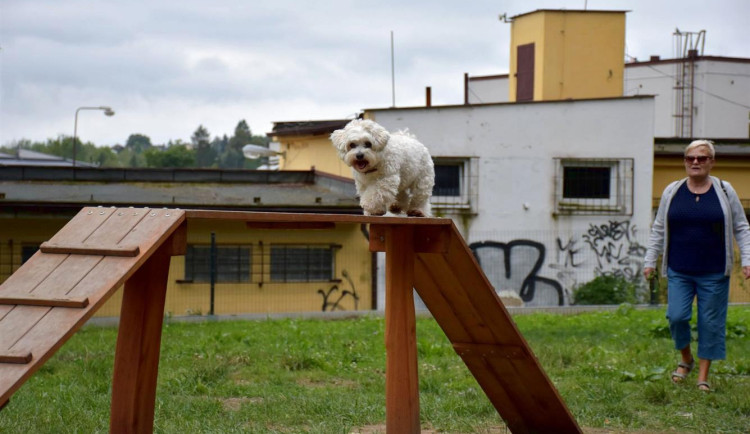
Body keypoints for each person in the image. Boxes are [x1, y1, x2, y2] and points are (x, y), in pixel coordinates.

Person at [644, 139, 750, 392]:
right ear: (685, 161)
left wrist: (747, 259)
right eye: (690, 158)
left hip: (714, 271)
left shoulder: (724, 190)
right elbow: (659, 227)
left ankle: (703, 375)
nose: (695, 162)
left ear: (711, 162)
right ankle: (686, 359)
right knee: (677, 316)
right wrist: (650, 260)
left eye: (702, 158)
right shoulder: (673, 191)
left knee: (710, 323)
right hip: (679, 269)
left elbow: (741, 227)